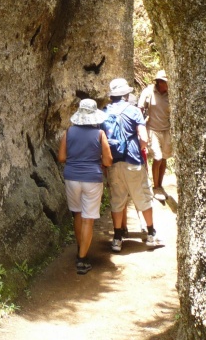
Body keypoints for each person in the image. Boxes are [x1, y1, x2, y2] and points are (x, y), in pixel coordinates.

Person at [103, 77, 163, 251]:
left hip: (114, 161)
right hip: (133, 160)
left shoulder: (104, 112)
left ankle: (117, 238)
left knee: (117, 199)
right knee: (142, 195)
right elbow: (143, 138)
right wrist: (140, 148)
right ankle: (151, 234)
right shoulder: (134, 111)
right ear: (125, 95)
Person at [58, 98, 113, 274]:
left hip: (72, 178)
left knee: (77, 214)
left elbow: (61, 157)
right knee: (88, 218)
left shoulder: (69, 132)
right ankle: (82, 259)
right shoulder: (100, 134)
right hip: (92, 178)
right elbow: (108, 160)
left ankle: (80, 248)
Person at [138, 70, 172, 201]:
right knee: (157, 157)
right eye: (166, 82)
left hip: (166, 130)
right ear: (160, 82)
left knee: (164, 158)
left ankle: (160, 185)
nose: (168, 85)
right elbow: (140, 108)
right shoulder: (149, 92)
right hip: (153, 130)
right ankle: (156, 187)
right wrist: (140, 127)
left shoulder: (170, 93)